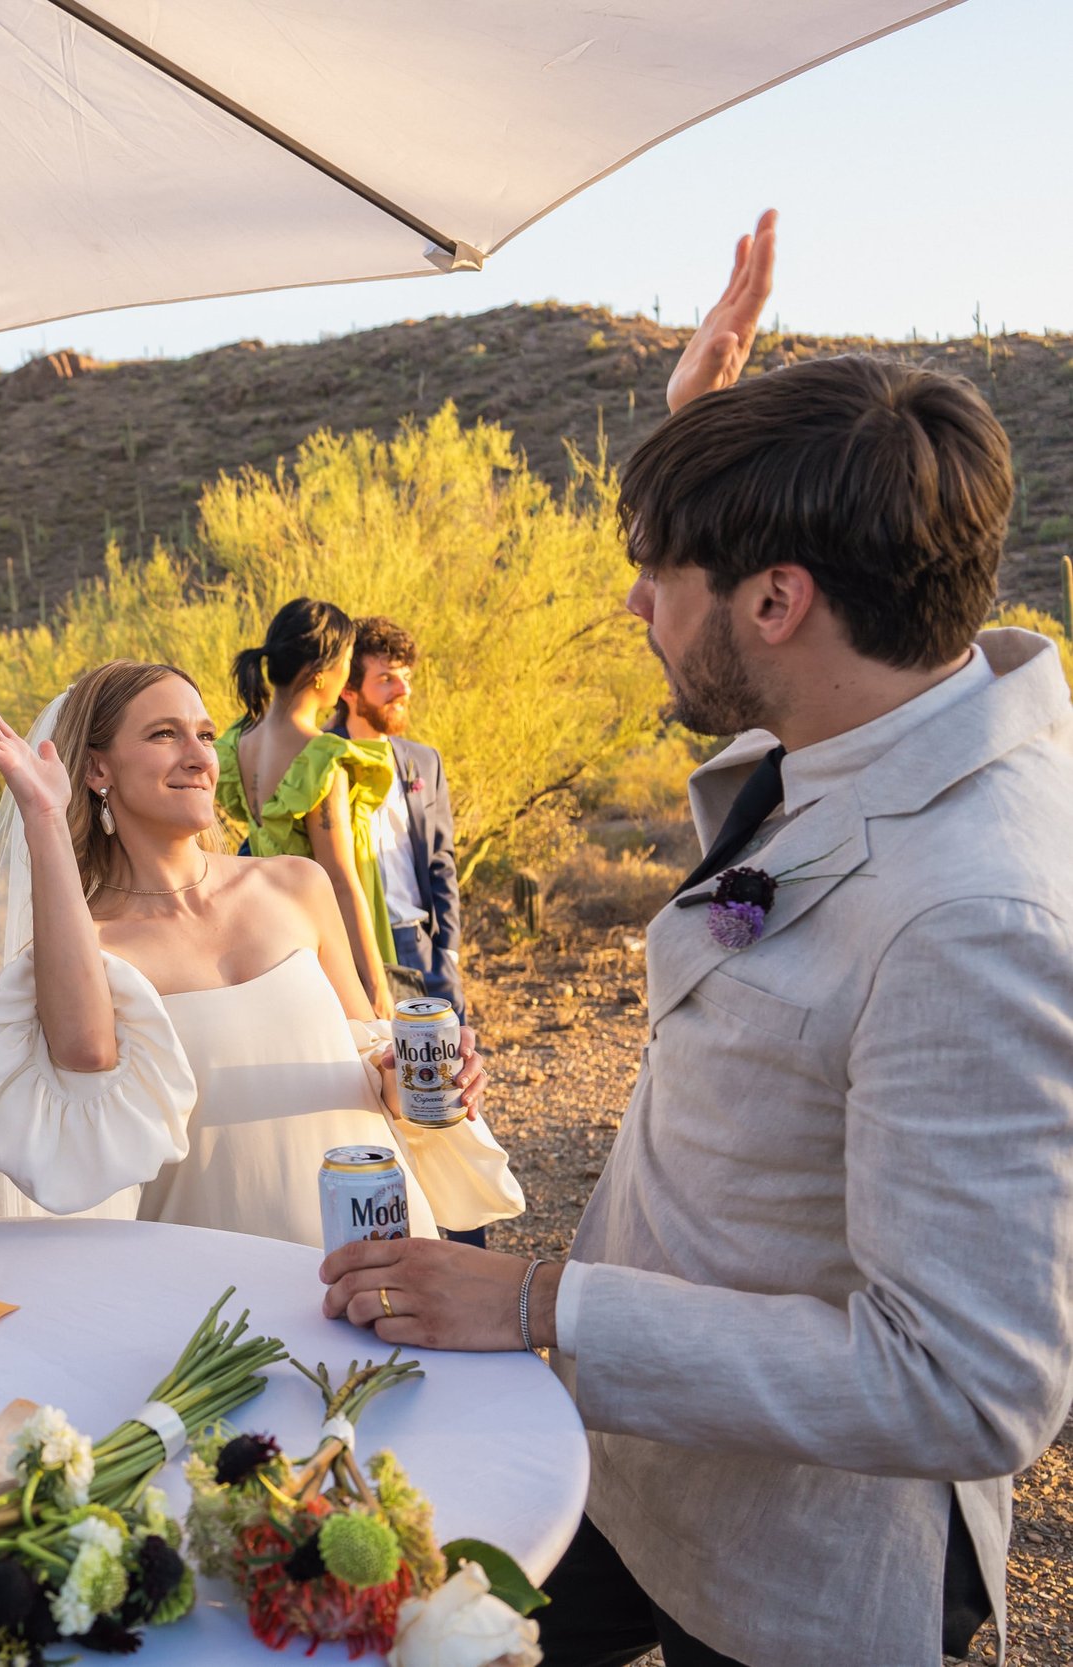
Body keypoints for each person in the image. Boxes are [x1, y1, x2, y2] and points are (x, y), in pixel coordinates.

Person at [318, 212, 1073, 1666]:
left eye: (659, 570)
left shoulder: (976, 913)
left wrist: (539, 1297)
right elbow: (766, 633)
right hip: (632, 1463)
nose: (628, 601)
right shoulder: (881, 703)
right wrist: (706, 436)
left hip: (793, 1564)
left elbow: (970, 1382)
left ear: (781, 601)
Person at [0, 662, 519, 1247]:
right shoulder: (89, 945)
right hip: (215, 1289)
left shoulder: (296, 885)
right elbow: (85, 1055)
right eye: (164, 734)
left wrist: (427, 1078)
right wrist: (43, 816)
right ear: (97, 768)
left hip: (378, 1245)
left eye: (203, 732)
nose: (199, 756)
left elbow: (369, 1062)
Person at [219, 598, 396, 1008]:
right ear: (320, 674)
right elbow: (338, 878)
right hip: (323, 942)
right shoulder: (320, 758)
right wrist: (375, 982)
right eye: (348, 661)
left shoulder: (237, 744)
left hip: (269, 940)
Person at [335, 617, 464, 1018]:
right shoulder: (321, 760)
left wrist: (450, 950)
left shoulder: (424, 761)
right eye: (387, 678)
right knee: (370, 1073)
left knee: (447, 1072)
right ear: (349, 691)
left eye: (406, 677)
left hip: (421, 944)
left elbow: (441, 858)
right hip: (351, 947)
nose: (403, 689)